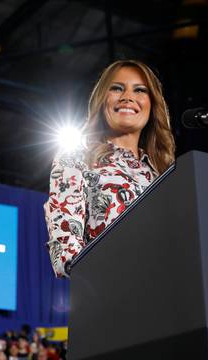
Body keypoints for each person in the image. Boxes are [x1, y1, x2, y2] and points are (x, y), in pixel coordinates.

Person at [44, 59, 176, 277]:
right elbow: (67, 248)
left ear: (152, 104)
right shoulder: (75, 159)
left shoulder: (165, 172)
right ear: (102, 99)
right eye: (117, 88)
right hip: (111, 292)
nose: (128, 97)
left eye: (140, 90)